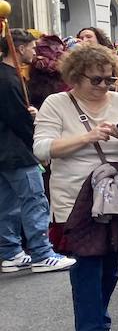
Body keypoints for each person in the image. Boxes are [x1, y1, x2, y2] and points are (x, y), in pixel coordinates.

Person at [32, 42, 118, 331]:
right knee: (87, 263)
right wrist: (86, 137)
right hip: (74, 197)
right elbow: (42, 149)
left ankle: (99, 324)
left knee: (110, 265)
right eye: (95, 79)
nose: (103, 86)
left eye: (109, 79)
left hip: (116, 196)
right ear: (75, 76)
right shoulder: (56, 104)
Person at [1, 29, 75, 275]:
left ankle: (10, 252)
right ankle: (42, 252)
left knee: (8, 203)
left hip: (6, 152)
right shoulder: (10, 79)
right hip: (17, 151)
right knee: (34, 200)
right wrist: (34, 132)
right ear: (19, 48)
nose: (34, 51)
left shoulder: (9, 77)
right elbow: (15, 119)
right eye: (31, 47)